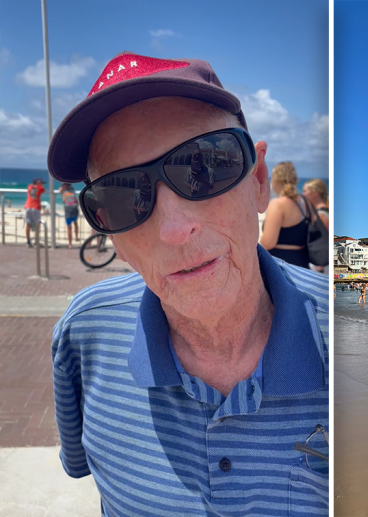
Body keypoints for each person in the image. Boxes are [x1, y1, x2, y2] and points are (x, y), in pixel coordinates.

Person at [46, 52, 329, 516]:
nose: (174, 229)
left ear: (258, 180)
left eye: (204, 167)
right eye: (122, 197)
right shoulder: (85, 335)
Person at [259, 161, 313, 268]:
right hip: (302, 264)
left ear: (276, 181)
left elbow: (268, 242)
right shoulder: (305, 202)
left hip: (283, 266)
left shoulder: (277, 204)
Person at [24, 178, 44, 247]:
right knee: (37, 225)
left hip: (28, 207)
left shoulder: (30, 187)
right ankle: (36, 242)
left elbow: (31, 187)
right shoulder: (40, 188)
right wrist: (40, 185)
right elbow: (43, 189)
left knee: (28, 224)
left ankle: (28, 242)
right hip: (35, 207)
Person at [60, 183, 80, 249]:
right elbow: (60, 189)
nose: (66, 186)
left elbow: (76, 199)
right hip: (68, 211)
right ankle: (70, 243)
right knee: (69, 227)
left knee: (75, 223)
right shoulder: (63, 191)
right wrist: (63, 185)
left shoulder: (72, 190)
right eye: (65, 185)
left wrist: (77, 204)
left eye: (67, 185)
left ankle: (76, 237)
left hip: (74, 209)